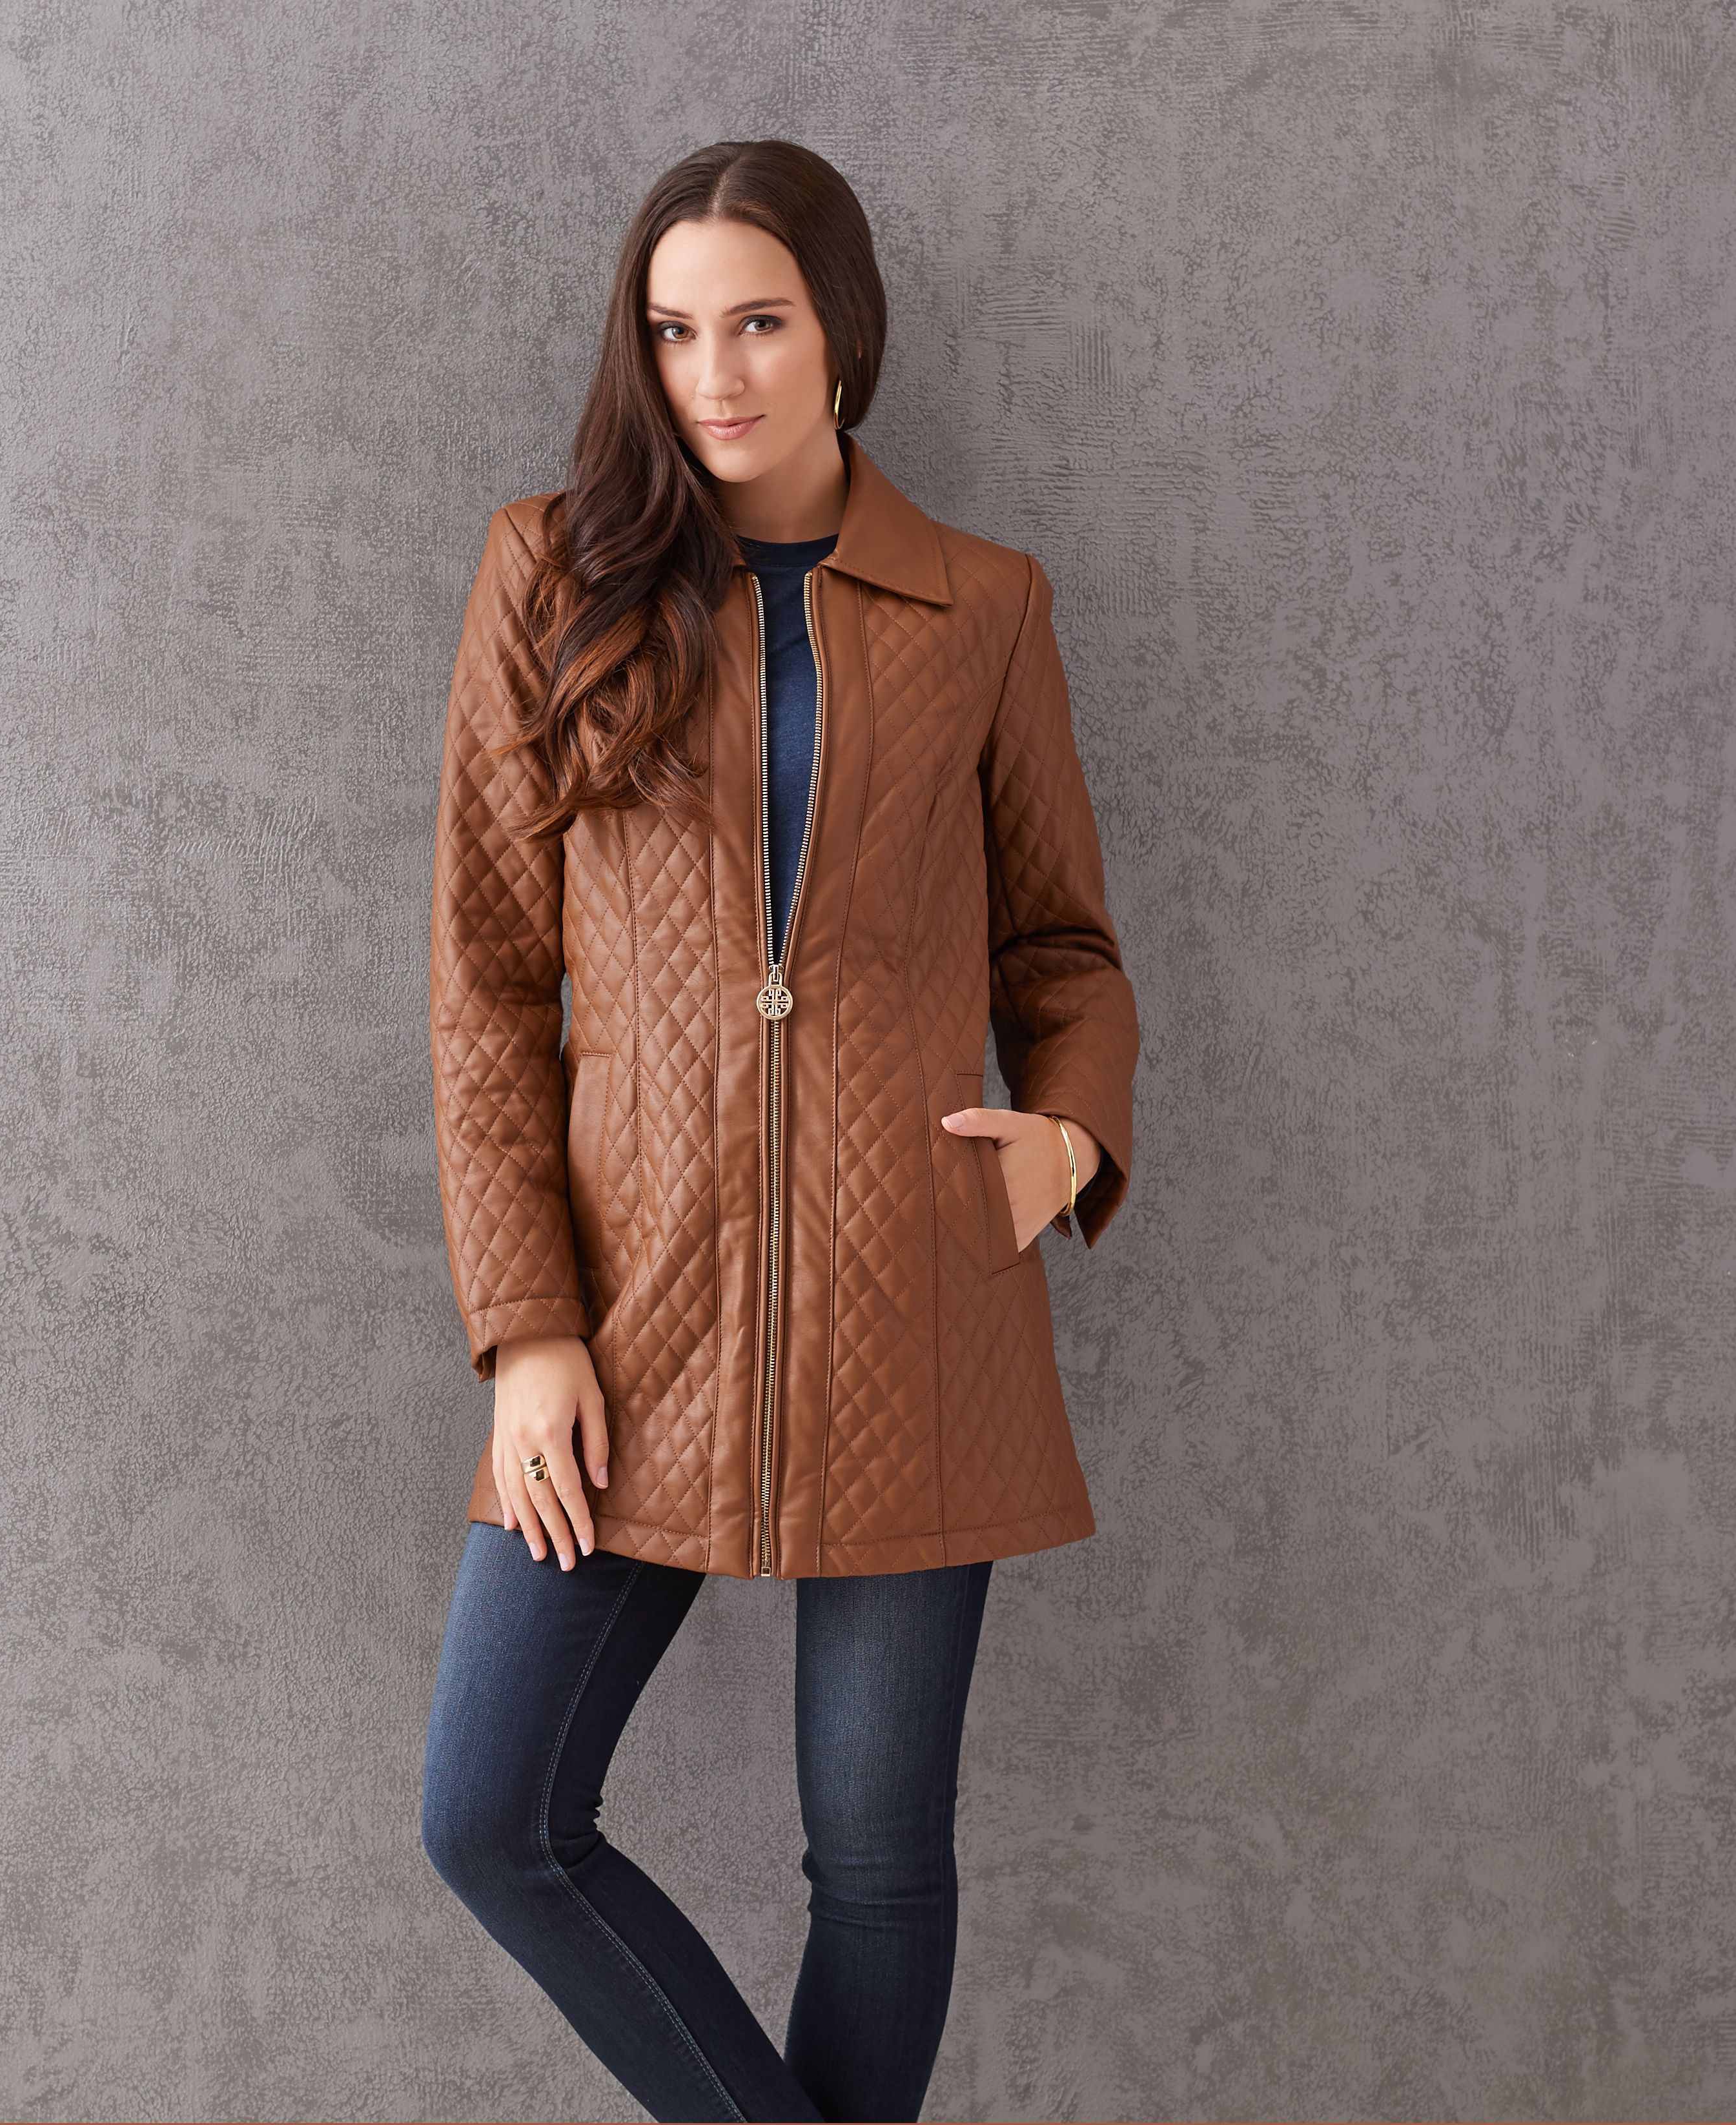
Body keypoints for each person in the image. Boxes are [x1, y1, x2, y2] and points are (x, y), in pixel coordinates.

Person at [418, 138, 1141, 2125]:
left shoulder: (984, 607)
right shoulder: (549, 575)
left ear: (844, 334)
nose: (714, 375)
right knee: (492, 1812)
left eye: (757, 322)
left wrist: (1068, 1140)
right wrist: (527, 1329)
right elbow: (488, 984)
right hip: (626, 1302)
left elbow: (1067, 950)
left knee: (881, 1863)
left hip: (918, 1295)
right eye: (672, 332)